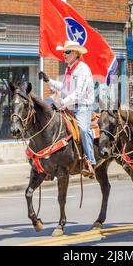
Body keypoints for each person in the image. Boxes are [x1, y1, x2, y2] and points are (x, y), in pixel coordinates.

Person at [39, 40, 96, 178]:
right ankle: (50, 162)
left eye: (67, 52)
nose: (64, 54)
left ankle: (90, 162)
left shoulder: (83, 69)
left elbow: (79, 94)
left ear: (76, 53)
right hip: (69, 107)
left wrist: (60, 102)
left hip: (82, 107)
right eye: (64, 51)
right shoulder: (69, 69)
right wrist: (49, 81)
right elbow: (65, 87)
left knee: (83, 129)